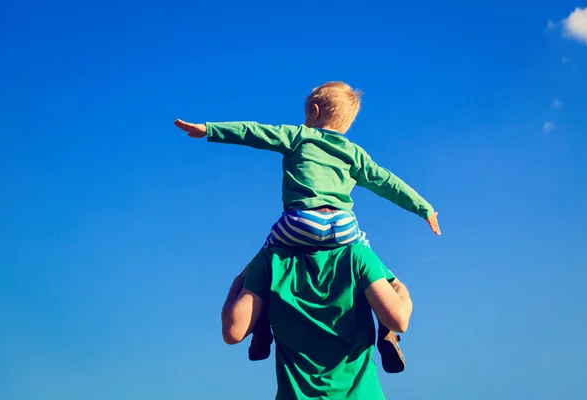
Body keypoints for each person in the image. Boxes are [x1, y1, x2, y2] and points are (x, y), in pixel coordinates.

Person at [174, 81, 440, 372]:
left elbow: (254, 132)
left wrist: (209, 129)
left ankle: (262, 325)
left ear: (314, 111)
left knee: (267, 252)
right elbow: (388, 182)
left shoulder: (300, 136)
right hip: (342, 226)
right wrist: (424, 208)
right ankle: (387, 331)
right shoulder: (354, 153)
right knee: (369, 257)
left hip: (300, 222)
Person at [221, 242, 413, 399]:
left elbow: (233, 332)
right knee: (387, 295)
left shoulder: (270, 260)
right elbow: (399, 320)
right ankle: (385, 331)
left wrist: (244, 276)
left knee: (260, 292)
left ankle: (261, 324)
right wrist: (395, 283)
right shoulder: (357, 255)